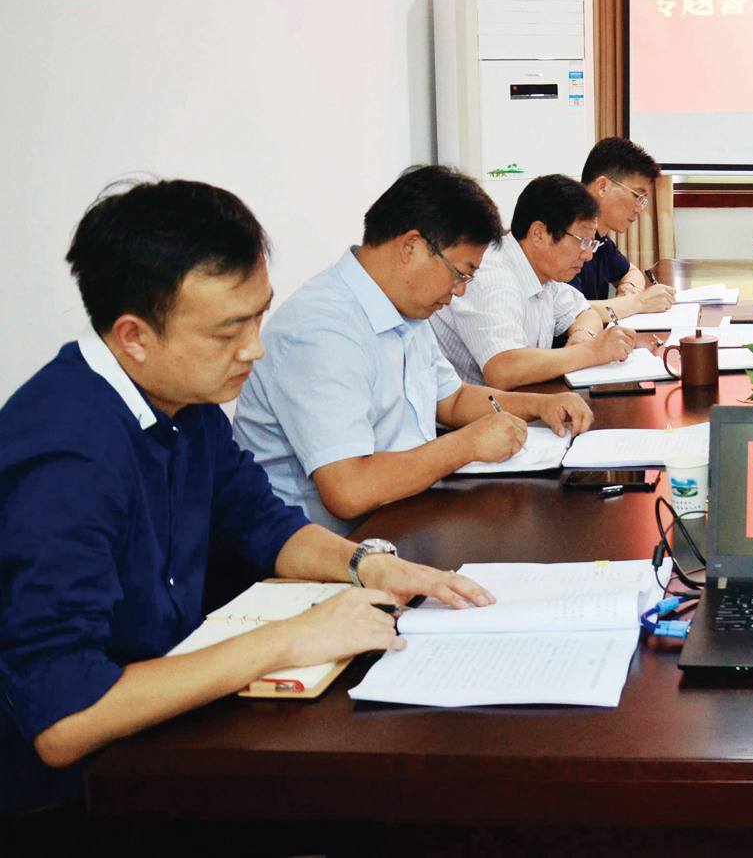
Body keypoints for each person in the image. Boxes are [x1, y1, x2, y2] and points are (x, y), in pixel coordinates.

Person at [0, 180, 491, 825]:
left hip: (172, 723)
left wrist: (368, 566)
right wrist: (287, 640)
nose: (255, 348)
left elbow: (263, 522)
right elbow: (64, 720)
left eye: (258, 317)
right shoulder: (66, 457)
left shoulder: (184, 399)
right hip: (80, 795)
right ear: (134, 336)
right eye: (230, 330)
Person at [234, 165, 594, 536]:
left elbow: (452, 400)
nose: (461, 290)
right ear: (412, 247)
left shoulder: (406, 307)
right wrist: (467, 444)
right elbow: (350, 490)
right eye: (460, 273)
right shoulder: (323, 330)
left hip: (404, 514)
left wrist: (540, 405)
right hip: (331, 547)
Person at [431, 174, 635, 389]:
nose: (588, 255)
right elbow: (503, 370)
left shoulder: (543, 273)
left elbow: (585, 313)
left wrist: (583, 338)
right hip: (473, 408)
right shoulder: (492, 276)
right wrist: (591, 352)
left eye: (591, 244)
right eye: (583, 241)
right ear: (539, 234)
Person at [574, 137, 677, 321]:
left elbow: (632, 272)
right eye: (637, 196)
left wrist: (628, 291)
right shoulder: (567, 235)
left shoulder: (601, 239)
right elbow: (569, 312)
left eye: (643, 200)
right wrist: (638, 302)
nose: (639, 208)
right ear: (602, 186)